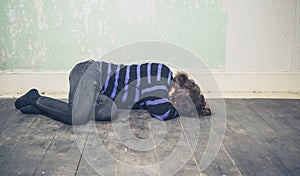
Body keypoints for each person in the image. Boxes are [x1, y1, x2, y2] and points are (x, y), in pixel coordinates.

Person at [14, 59, 211, 125]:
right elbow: (158, 111)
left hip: (102, 95)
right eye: (177, 98)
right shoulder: (161, 74)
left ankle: (39, 107)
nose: (172, 101)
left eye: (178, 105)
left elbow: (160, 107)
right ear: (179, 85)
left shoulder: (162, 93)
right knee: (78, 116)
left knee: (111, 112)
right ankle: (35, 97)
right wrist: (174, 109)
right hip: (90, 73)